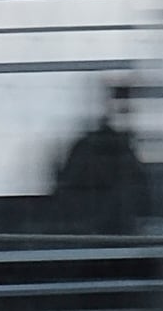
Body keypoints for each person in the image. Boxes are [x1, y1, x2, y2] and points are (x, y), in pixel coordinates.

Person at [47, 75, 152, 236]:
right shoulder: (96, 147)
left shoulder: (121, 148)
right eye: (124, 105)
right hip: (99, 234)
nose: (129, 112)